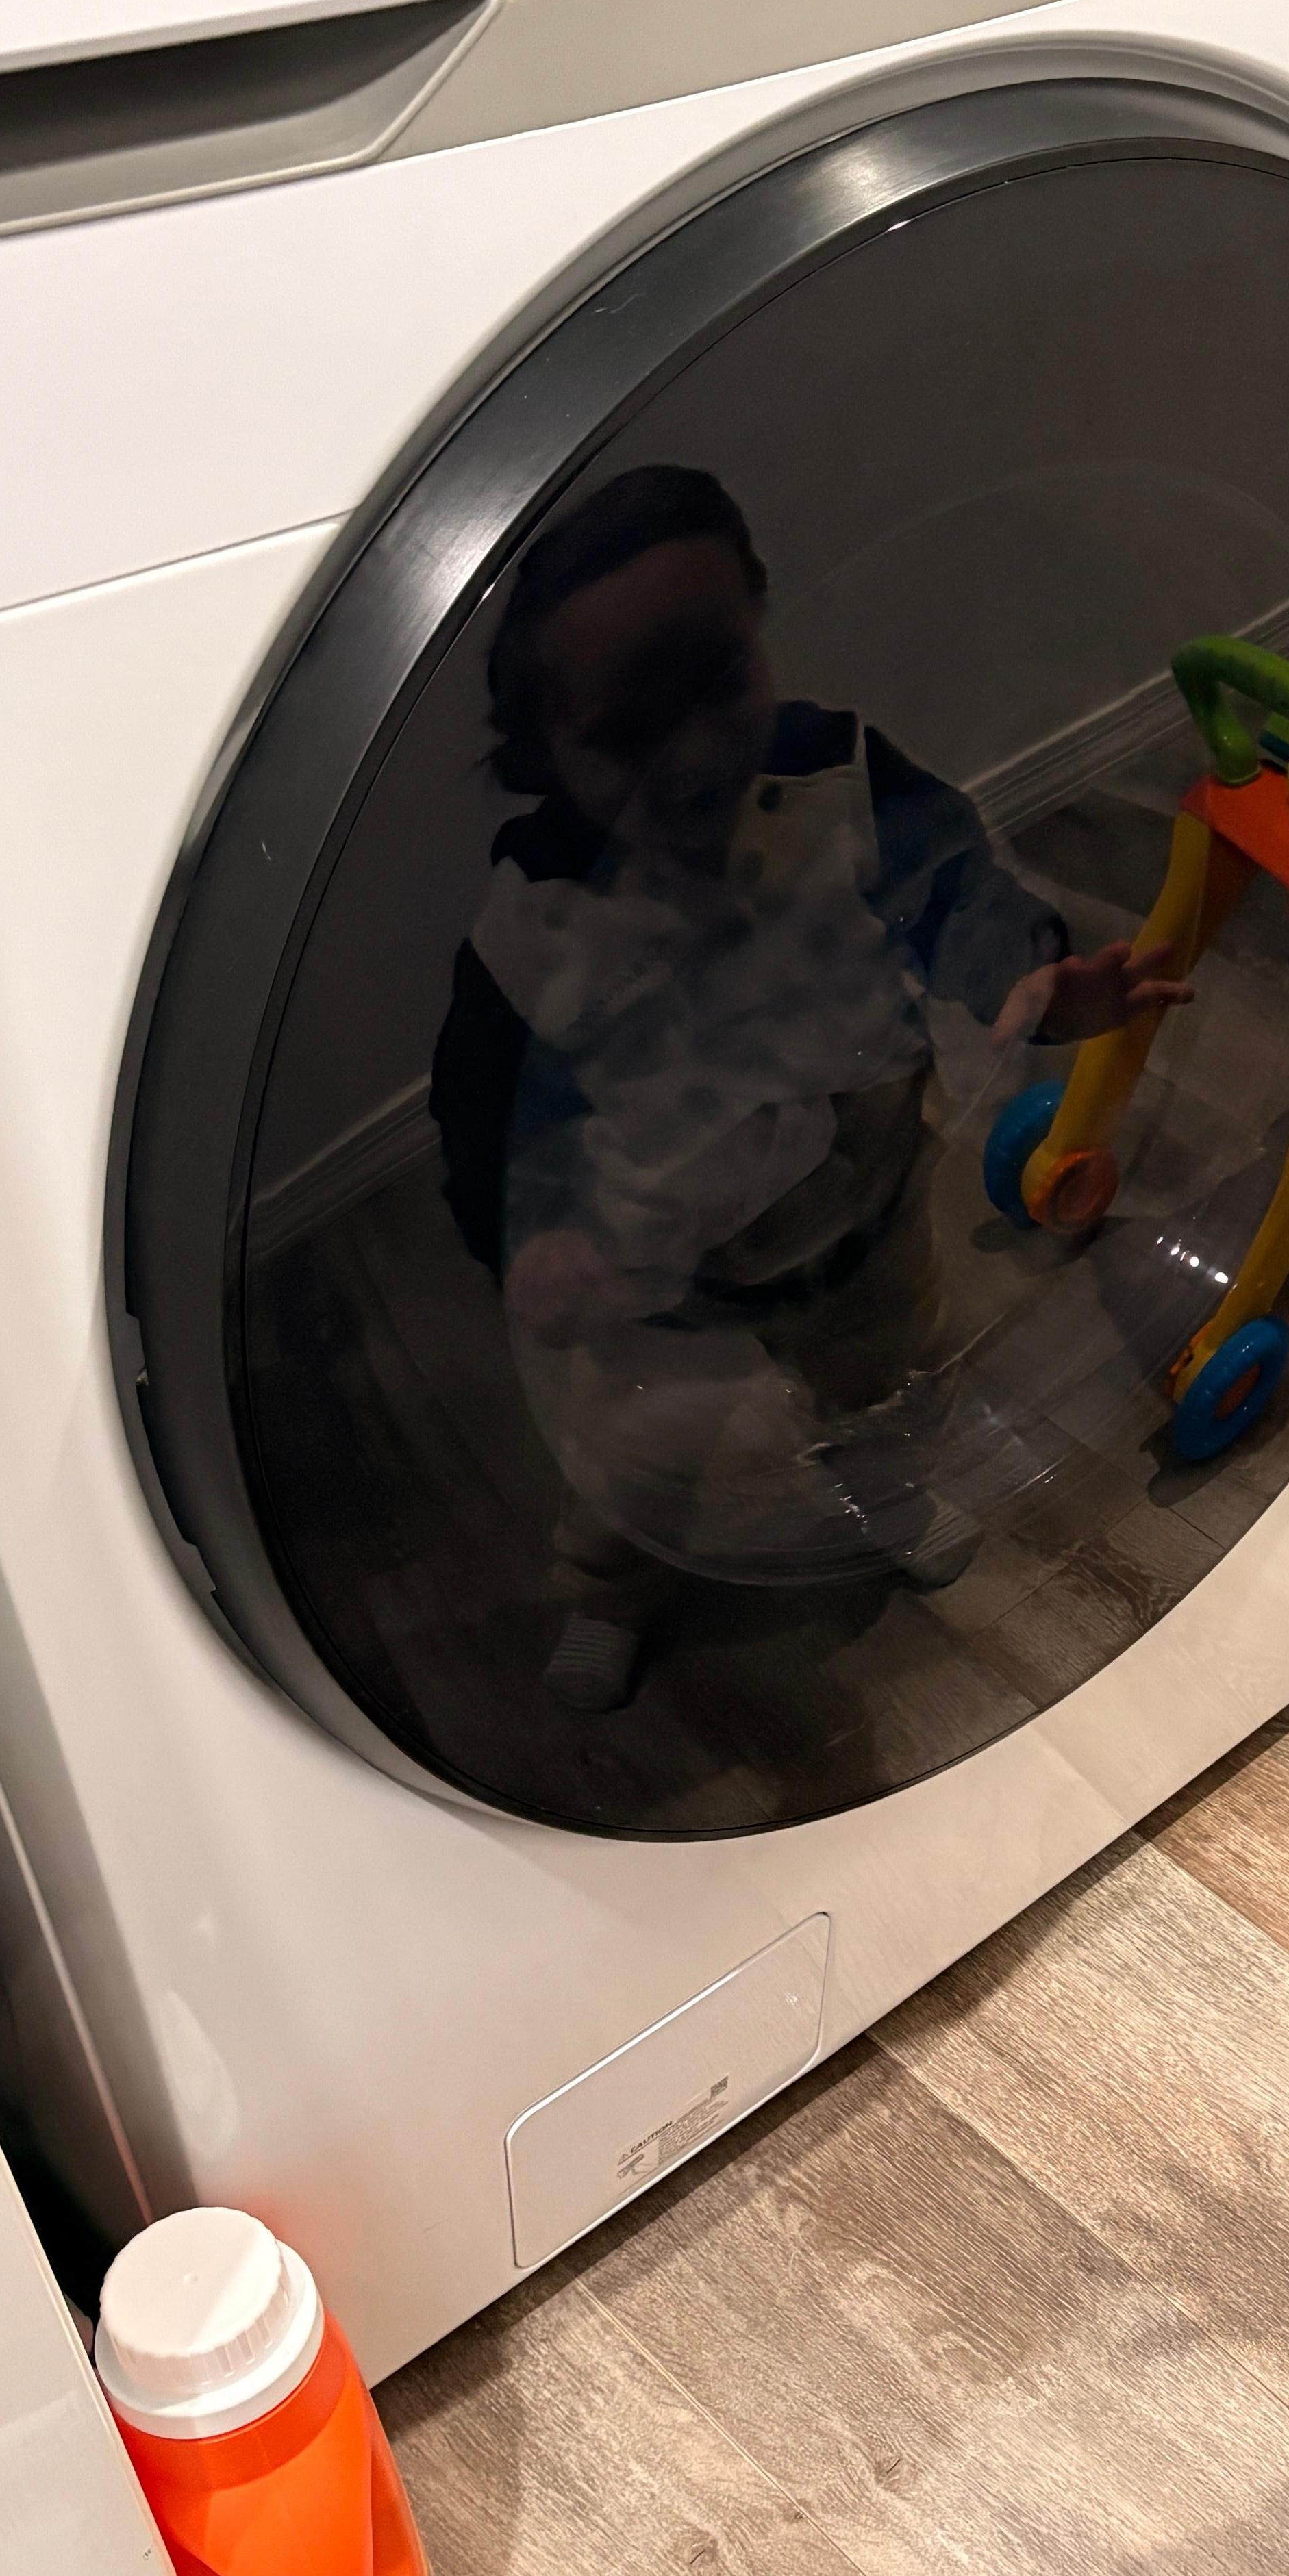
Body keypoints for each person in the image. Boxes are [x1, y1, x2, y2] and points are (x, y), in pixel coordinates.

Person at [429, 464, 1185, 1713]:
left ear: (761, 629)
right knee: (635, 1453)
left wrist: (1039, 972)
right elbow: (489, 1124)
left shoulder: (837, 775)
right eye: (628, 727)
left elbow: (952, 888)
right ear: (540, 751)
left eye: (717, 682)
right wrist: (533, 1241)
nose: (691, 753)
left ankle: (885, 1497)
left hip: (872, 1183)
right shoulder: (533, 932)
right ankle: (610, 1589)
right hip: (665, 1261)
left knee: (892, 1367)